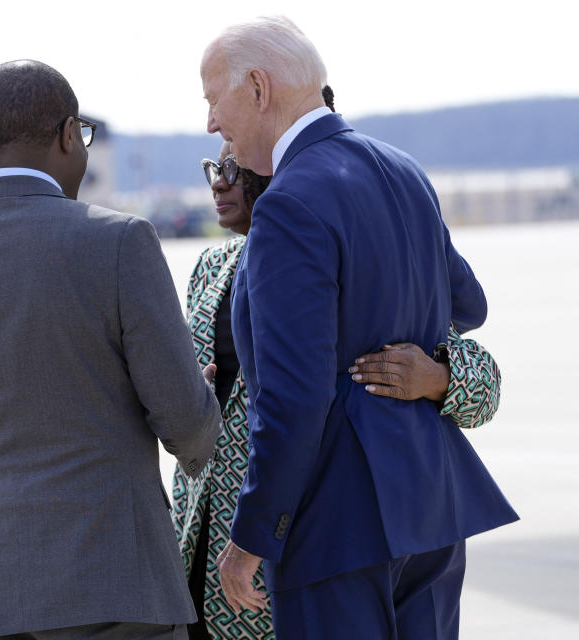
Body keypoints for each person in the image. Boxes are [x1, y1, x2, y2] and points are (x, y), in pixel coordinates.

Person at [0, 59, 221, 640]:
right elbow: (184, 419)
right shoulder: (120, 241)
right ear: (69, 134)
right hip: (117, 583)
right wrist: (202, 405)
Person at [200, 17, 518, 638]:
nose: (212, 122)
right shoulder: (402, 169)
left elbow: (295, 398)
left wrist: (251, 535)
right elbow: (469, 305)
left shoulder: (289, 200)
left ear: (259, 89)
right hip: (429, 509)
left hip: (338, 524)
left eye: (213, 99)